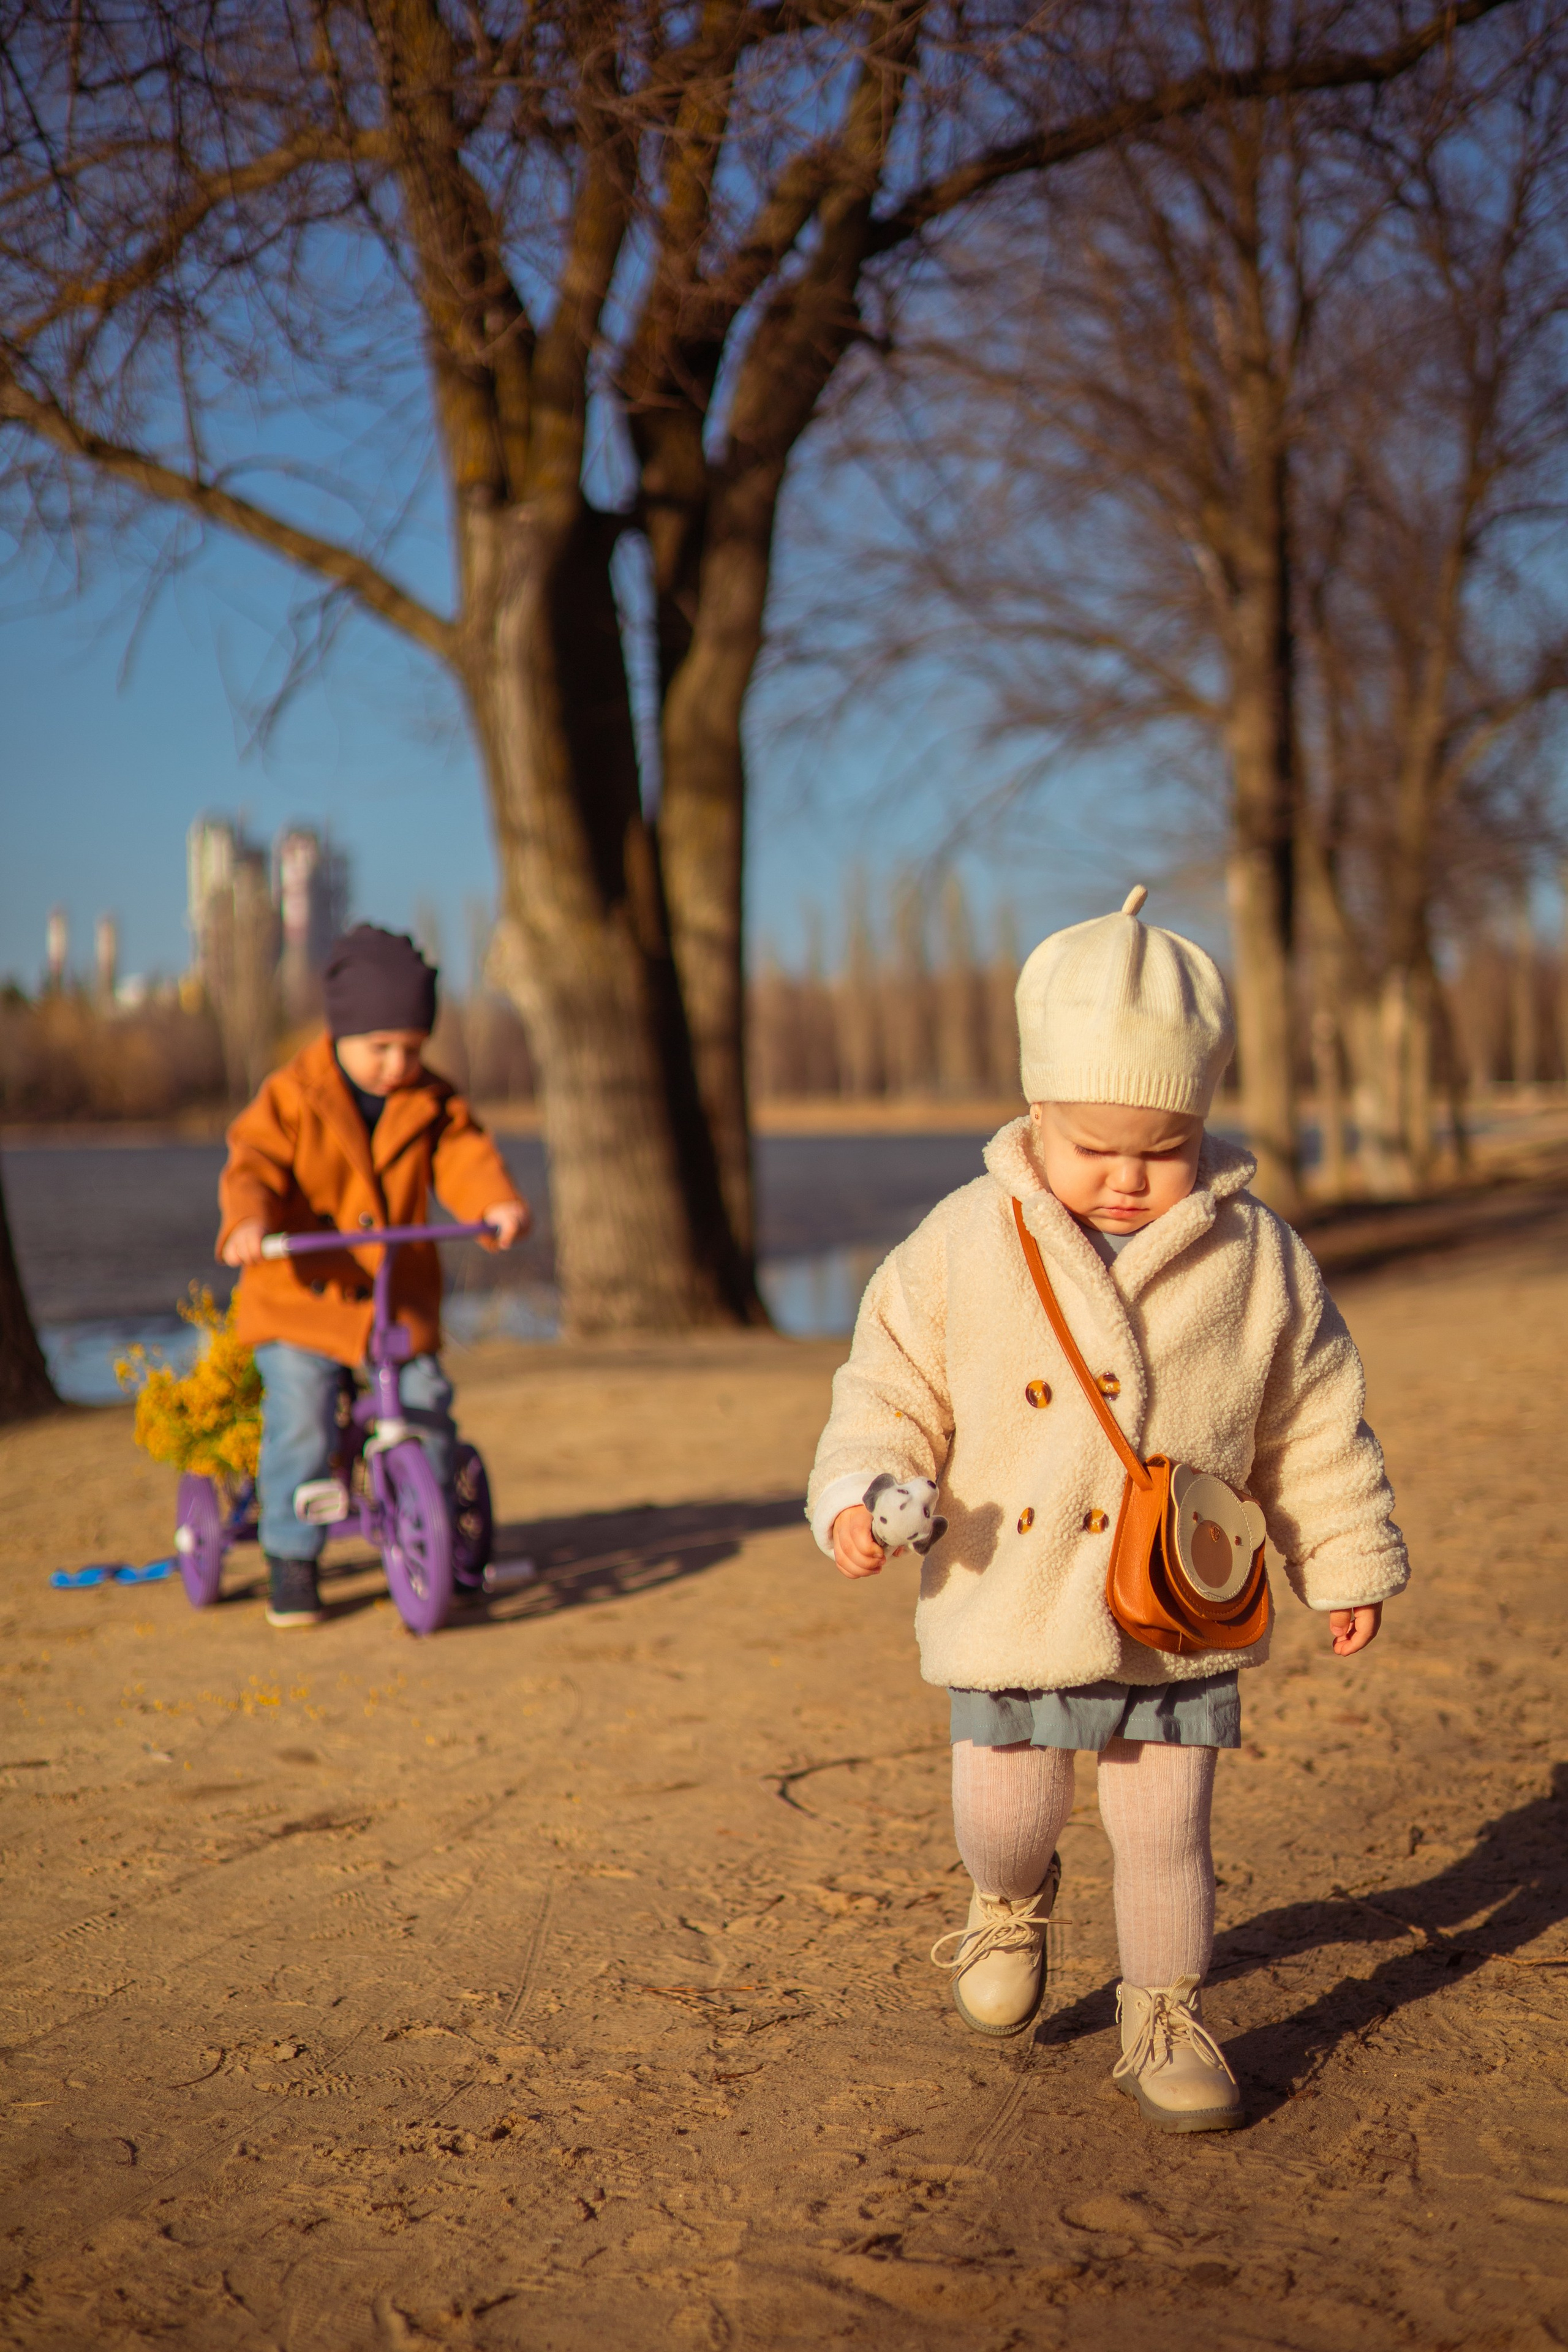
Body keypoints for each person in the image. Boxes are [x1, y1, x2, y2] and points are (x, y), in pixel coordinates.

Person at [807, 885, 1407, 2132]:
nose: (1129, 1178)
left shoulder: (1256, 1258)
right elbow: (886, 1386)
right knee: (1005, 1813)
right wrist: (862, 1492)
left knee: (1166, 1832)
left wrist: (1341, 1556)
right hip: (1010, 1595)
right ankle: (1005, 1905)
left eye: (1161, 1147)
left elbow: (1311, 1419)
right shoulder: (960, 1241)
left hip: (1174, 1598)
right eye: (1095, 1147)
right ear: (1035, 1113)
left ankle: (1163, 2013)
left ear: (1200, 1120)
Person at [217, 924, 529, 1629]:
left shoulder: (431, 1102)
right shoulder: (294, 1095)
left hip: (395, 1304)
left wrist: (495, 1204)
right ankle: (292, 1554)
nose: (397, 1064)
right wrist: (248, 1223)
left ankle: (436, 1531)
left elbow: (465, 1156)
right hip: (302, 1298)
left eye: (412, 1048)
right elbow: (253, 1162)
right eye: (379, 1047)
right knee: (300, 1414)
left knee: (427, 1403)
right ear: (340, 1033)